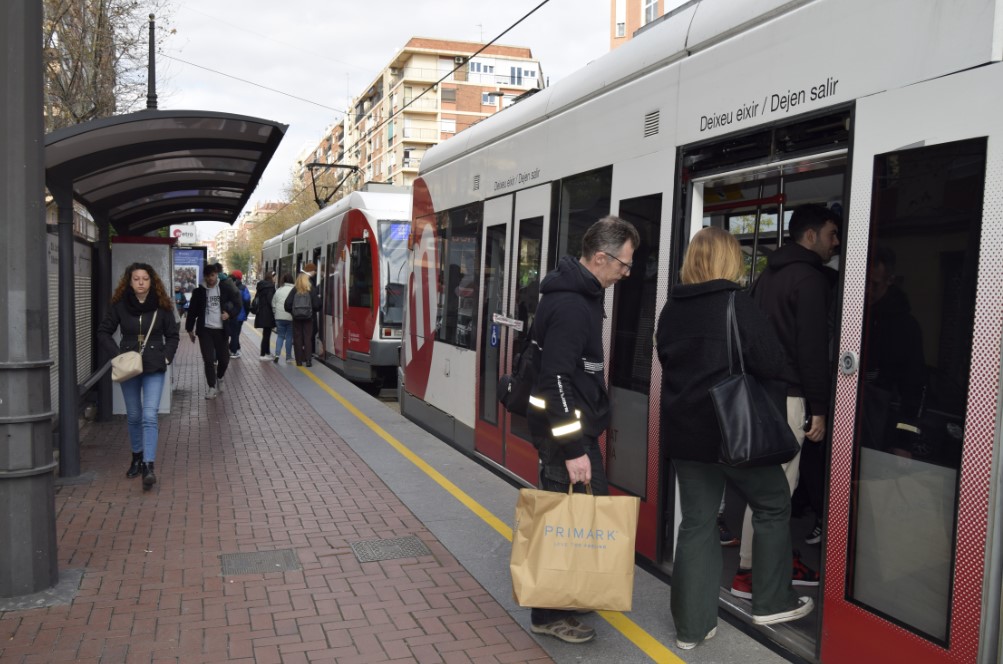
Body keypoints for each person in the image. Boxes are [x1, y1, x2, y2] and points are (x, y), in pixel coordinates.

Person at [656, 227, 813, 649]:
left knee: (697, 523)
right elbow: (772, 361)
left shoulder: (671, 309)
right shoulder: (736, 303)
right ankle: (771, 599)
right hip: (733, 432)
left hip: (686, 438)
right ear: (729, 261)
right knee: (774, 500)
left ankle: (691, 628)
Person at [525, 215, 639, 644]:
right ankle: (547, 613)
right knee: (564, 519)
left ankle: (569, 593)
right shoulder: (574, 304)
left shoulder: (581, 294)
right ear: (599, 257)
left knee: (580, 515)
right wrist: (574, 448)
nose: (626, 273)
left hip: (571, 430)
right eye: (623, 265)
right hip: (566, 436)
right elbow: (556, 380)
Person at [732, 203, 839, 597]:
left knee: (765, 486)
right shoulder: (809, 280)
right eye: (831, 234)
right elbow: (811, 351)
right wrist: (820, 408)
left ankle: (748, 565)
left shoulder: (765, 277)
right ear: (809, 236)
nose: (836, 242)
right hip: (791, 397)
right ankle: (756, 574)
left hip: (760, 394)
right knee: (778, 492)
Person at [97, 263, 180, 490]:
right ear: (129, 281)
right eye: (136, 279)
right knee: (134, 415)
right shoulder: (120, 306)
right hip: (128, 366)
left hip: (154, 365)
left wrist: (166, 357)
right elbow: (103, 332)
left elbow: (173, 335)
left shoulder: (162, 306)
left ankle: (148, 465)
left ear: (152, 281)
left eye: (145, 278)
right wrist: (118, 356)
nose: (141, 282)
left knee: (150, 415)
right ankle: (136, 456)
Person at [185, 264, 240, 399]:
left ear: (217, 275)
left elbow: (238, 303)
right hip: (205, 331)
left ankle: (220, 377)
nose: (210, 279)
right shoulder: (199, 292)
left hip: (221, 330)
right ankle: (211, 387)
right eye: (208, 276)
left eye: (213, 275)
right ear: (204, 276)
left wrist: (229, 314)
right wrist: (189, 329)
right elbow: (192, 311)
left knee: (224, 360)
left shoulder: (225, 288)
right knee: (208, 360)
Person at [285, 271, 320, 366]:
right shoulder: (311, 289)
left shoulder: (294, 290)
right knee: (308, 338)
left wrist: (293, 312)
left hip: (296, 319)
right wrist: (312, 311)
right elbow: (317, 305)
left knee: (297, 339)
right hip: (309, 318)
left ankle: (299, 361)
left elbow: (287, 304)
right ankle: (308, 360)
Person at [253, 270, 277, 361]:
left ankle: (266, 352)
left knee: (266, 334)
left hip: (261, 313)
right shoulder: (270, 287)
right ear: (271, 277)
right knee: (267, 335)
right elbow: (271, 301)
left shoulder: (261, 286)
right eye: (274, 277)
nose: (275, 279)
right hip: (268, 314)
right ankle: (263, 354)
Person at [227, 269, 252, 358]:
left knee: (231, 332)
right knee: (236, 333)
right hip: (240, 314)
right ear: (240, 278)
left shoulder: (228, 286)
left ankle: (235, 347)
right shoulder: (243, 288)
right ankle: (233, 351)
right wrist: (246, 311)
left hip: (229, 314)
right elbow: (247, 299)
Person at [271, 273, 295, 363]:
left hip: (279, 318)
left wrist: (275, 313)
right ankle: (288, 357)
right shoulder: (294, 290)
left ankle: (277, 355)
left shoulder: (279, 290)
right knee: (289, 337)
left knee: (280, 336)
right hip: (291, 317)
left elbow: (273, 303)